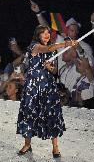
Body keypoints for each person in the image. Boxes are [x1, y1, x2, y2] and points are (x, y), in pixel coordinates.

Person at [16, 25, 77, 158]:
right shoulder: (34, 46)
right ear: (38, 35)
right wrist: (66, 43)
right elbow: (47, 48)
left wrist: (50, 67)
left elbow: (54, 70)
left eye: (48, 33)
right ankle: (27, 144)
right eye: (43, 33)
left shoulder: (53, 51)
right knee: (29, 114)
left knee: (52, 115)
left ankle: (55, 147)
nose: (46, 35)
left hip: (48, 86)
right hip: (32, 87)